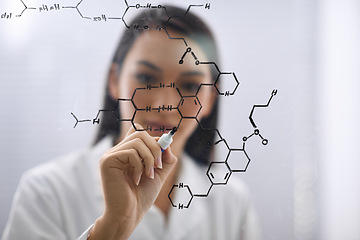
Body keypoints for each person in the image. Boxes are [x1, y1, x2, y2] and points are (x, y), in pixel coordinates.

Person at [2, 5, 260, 240]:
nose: (164, 103)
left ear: (210, 99)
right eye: (147, 77)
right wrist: (114, 226)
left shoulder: (233, 203)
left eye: (190, 85)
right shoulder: (46, 192)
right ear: (114, 80)